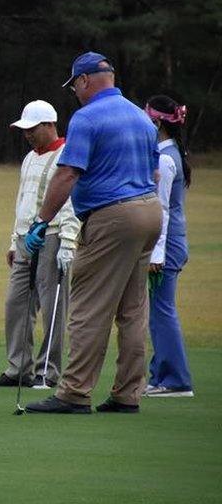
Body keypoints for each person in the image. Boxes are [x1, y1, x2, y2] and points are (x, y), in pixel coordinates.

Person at [24, 52, 161, 414]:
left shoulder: (87, 118)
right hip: (148, 210)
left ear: (84, 80)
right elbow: (156, 175)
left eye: (75, 86)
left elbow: (68, 173)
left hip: (112, 216)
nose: (75, 93)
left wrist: (42, 220)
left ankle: (73, 393)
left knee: (88, 306)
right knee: (133, 309)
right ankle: (128, 394)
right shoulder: (141, 117)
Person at [0, 101, 79, 389]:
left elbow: (70, 203)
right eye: (24, 129)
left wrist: (68, 241)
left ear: (49, 125)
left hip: (52, 237)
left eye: (32, 128)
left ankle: (48, 372)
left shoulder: (67, 155)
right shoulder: (29, 157)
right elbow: (22, 201)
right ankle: (19, 368)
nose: (27, 134)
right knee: (16, 304)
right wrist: (13, 240)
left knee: (53, 307)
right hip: (25, 239)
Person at [143, 95, 195, 398]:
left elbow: (161, 208)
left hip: (167, 245)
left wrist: (156, 253)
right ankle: (161, 374)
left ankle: (175, 379)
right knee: (157, 311)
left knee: (162, 311)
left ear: (157, 122)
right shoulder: (172, 152)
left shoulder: (164, 158)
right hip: (172, 241)